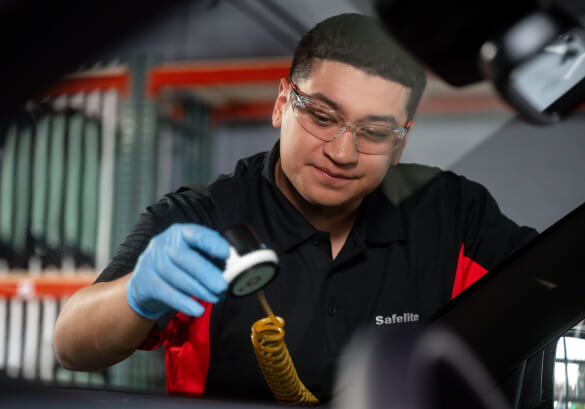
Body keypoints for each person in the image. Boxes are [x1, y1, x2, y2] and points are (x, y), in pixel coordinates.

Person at [53, 13, 537, 403]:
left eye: (374, 132)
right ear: (283, 102)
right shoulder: (202, 216)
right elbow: (71, 344)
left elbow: (551, 283)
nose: (343, 153)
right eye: (324, 117)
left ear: (402, 141)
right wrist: (137, 294)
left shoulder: (451, 211)